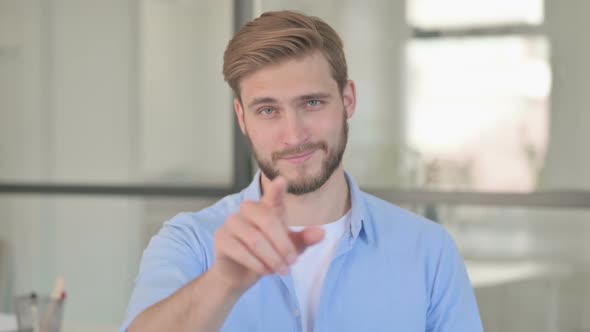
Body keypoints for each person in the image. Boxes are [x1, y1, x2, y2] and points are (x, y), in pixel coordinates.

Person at [120, 10, 483, 332]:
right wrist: (224, 282)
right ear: (242, 118)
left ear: (348, 100)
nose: (294, 135)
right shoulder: (190, 243)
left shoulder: (428, 250)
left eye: (312, 102)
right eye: (267, 110)